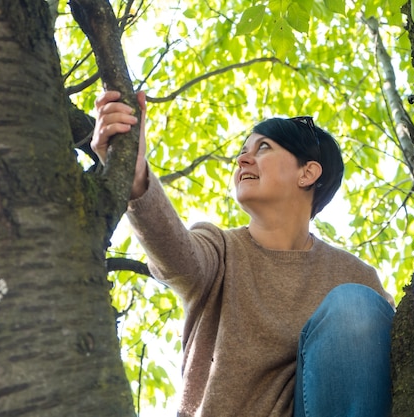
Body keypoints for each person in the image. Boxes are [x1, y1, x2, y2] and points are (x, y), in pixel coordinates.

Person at [93, 91, 396, 417]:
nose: (242, 160)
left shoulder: (355, 279)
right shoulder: (220, 250)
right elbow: (175, 255)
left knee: (356, 306)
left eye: (263, 147)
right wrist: (135, 176)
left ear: (307, 173)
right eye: (242, 151)